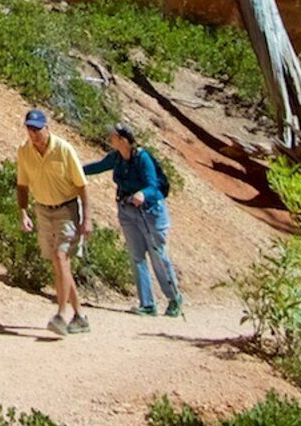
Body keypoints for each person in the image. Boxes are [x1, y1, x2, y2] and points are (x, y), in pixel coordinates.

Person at [83, 121, 186, 317]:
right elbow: (98, 166)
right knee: (137, 256)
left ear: (122, 140)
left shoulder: (142, 158)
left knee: (157, 255)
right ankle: (147, 304)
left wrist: (143, 194)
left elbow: (153, 185)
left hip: (150, 212)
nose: (109, 138)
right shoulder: (116, 157)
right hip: (127, 210)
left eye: (112, 136)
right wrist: (76, 170)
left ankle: (174, 298)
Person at [10, 108, 94, 334]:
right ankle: (80, 316)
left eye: (37, 129)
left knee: (60, 257)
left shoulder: (64, 150)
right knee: (59, 264)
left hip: (66, 210)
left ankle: (60, 315)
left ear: (47, 128)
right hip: (42, 210)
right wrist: (23, 212)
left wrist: (87, 219)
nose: (33, 133)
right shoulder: (24, 151)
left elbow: (82, 186)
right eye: (29, 128)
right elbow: (22, 184)